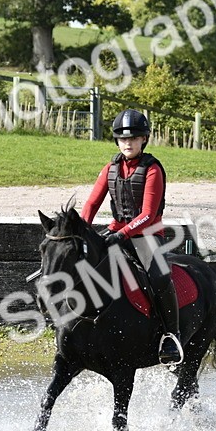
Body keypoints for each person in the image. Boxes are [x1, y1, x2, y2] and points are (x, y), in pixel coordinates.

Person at [80, 109, 184, 364]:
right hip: (116, 231)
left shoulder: (153, 170)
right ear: (117, 141)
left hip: (147, 235)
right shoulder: (110, 169)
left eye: (134, 138)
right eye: (123, 139)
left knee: (159, 277)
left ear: (144, 140)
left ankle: (172, 335)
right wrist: (82, 232)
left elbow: (148, 214)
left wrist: (123, 234)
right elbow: (92, 204)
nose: (128, 143)